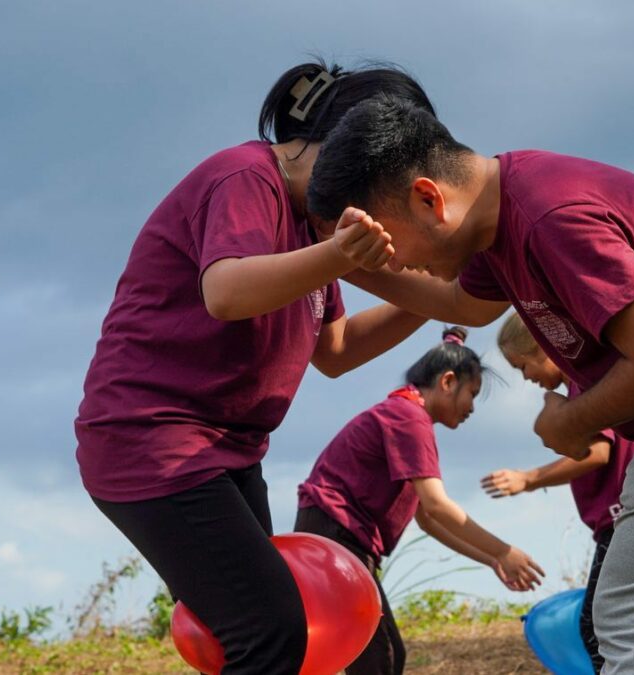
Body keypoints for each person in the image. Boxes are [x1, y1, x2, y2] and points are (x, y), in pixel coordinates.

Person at [304, 95, 634, 673]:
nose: (395, 262)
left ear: (427, 198)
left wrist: (571, 418)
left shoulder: (548, 216)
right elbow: (463, 303)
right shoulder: (502, 217)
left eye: (388, 243)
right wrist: (335, 263)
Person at [74, 64, 440, 675]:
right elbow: (226, 291)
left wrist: (439, 291)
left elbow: (337, 349)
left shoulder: (313, 224)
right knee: (270, 634)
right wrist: (337, 254)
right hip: (153, 441)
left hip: (230, 454)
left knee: (263, 639)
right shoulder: (245, 178)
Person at [294, 326, 544, 674]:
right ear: (447, 382)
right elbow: (439, 505)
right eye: (472, 393)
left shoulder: (407, 415)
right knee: (378, 657)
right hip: (336, 535)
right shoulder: (408, 417)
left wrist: (490, 560)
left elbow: (428, 517)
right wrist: (503, 550)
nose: (472, 407)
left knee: (384, 653)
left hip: (337, 536)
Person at [482, 313, 634, 673]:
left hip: (621, 523)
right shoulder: (584, 385)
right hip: (618, 523)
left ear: (547, 345)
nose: (526, 377)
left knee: (598, 626)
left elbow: (599, 452)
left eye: (523, 365)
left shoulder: (584, 382)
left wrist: (529, 478)